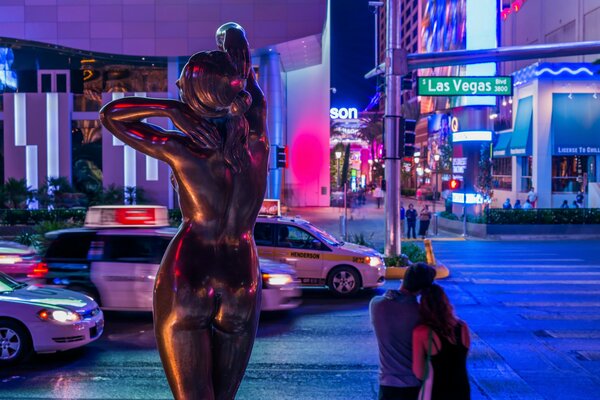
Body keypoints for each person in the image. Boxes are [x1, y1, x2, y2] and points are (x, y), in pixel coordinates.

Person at [101, 24, 269, 399]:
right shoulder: (257, 139)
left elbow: (111, 115)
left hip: (188, 268)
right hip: (242, 272)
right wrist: (231, 57)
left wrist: (171, 109)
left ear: (192, 101)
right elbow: (235, 34)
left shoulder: (181, 149)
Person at [370, 263, 437, 400]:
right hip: (413, 386)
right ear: (422, 290)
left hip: (387, 385)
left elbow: (393, 298)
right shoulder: (421, 314)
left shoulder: (376, 305)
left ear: (404, 278)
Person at [413, 284, 471, 400]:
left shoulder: (422, 332)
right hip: (462, 389)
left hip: (437, 391)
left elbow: (419, 372)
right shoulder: (462, 327)